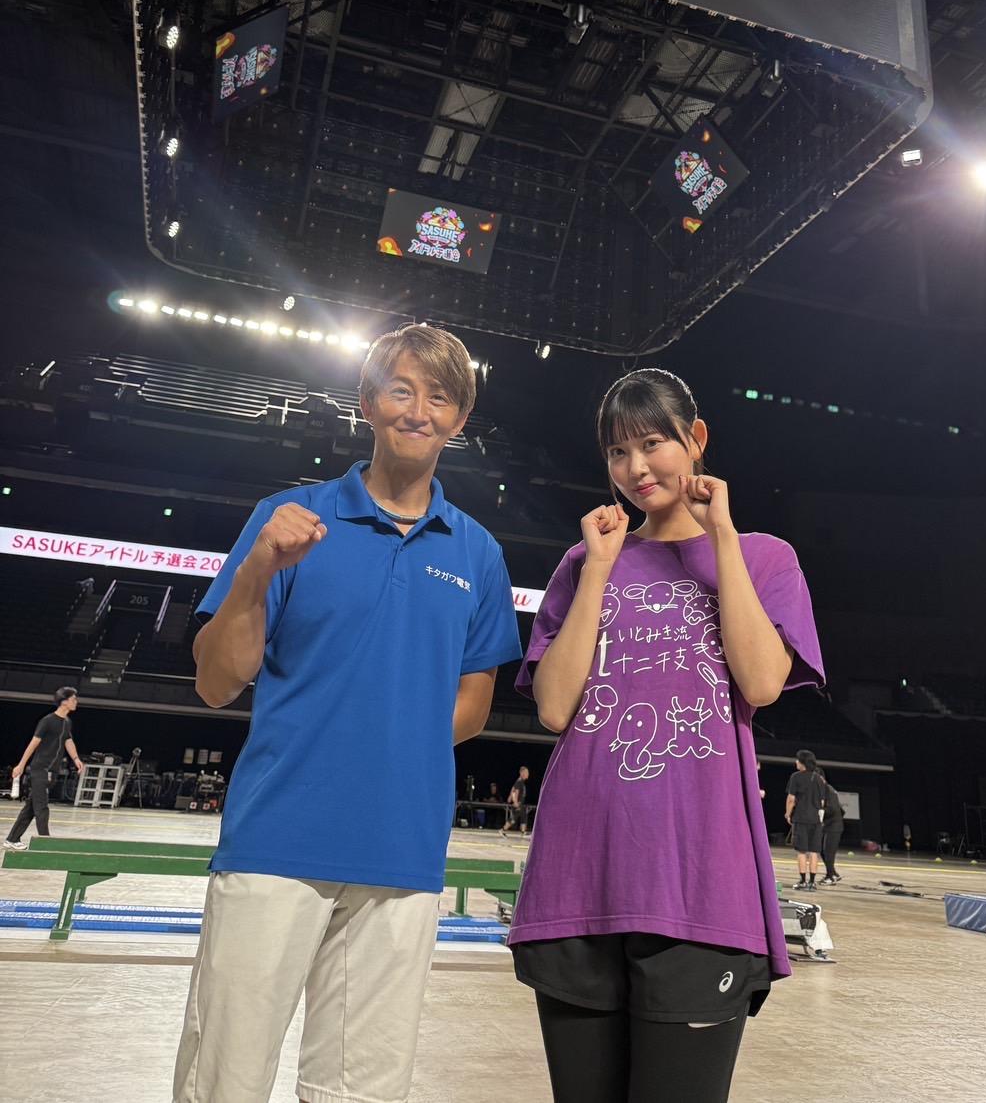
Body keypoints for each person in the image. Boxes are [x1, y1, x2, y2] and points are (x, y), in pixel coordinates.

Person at [172, 324, 522, 1103]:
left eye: (439, 396)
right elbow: (216, 682)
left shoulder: (478, 553)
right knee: (226, 1080)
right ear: (367, 402)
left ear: (459, 418)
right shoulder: (288, 516)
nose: (418, 410)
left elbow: (473, 702)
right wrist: (258, 569)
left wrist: (383, 749)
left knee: (361, 1092)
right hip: (276, 840)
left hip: (402, 854)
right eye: (401, 389)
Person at [508, 368, 823, 1103]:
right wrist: (598, 571)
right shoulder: (585, 560)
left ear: (696, 438)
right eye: (618, 452)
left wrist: (722, 538)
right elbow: (553, 706)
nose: (636, 467)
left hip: (701, 887)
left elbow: (760, 682)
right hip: (578, 878)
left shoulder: (764, 556)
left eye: (653, 443)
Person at [5, 687, 83, 849]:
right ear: (64, 701)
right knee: (42, 808)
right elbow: (33, 743)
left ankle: (11, 839)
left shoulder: (67, 722)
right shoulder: (47, 721)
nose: (76, 702)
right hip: (40, 769)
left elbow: (68, 741)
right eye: (73, 699)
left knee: (30, 808)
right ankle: (45, 844)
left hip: (52, 771)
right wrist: (21, 764)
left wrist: (76, 759)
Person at [785, 749, 825, 890]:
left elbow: (791, 798)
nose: (796, 762)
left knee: (801, 851)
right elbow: (822, 802)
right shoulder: (819, 778)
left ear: (802, 763)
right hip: (816, 819)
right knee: (814, 851)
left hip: (801, 818)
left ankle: (802, 881)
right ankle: (812, 882)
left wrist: (788, 814)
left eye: (798, 760)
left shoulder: (796, 777)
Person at [818, 771, 844, 885]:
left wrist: (818, 812)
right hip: (828, 825)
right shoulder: (823, 790)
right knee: (822, 850)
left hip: (834, 826)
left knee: (828, 852)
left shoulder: (828, 790)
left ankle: (830, 877)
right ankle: (833, 873)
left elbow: (832, 809)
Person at [501, 764, 529, 836]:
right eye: (526, 772)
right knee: (513, 819)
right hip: (518, 803)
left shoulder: (520, 782)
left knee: (523, 816)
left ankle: (523, 832)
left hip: (520, 804)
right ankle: (502, 830)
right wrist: (515, 801)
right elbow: (515, 792)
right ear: (522, 773)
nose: (528, 774)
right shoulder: (519, 782)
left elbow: (513, 788)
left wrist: (509, 797)